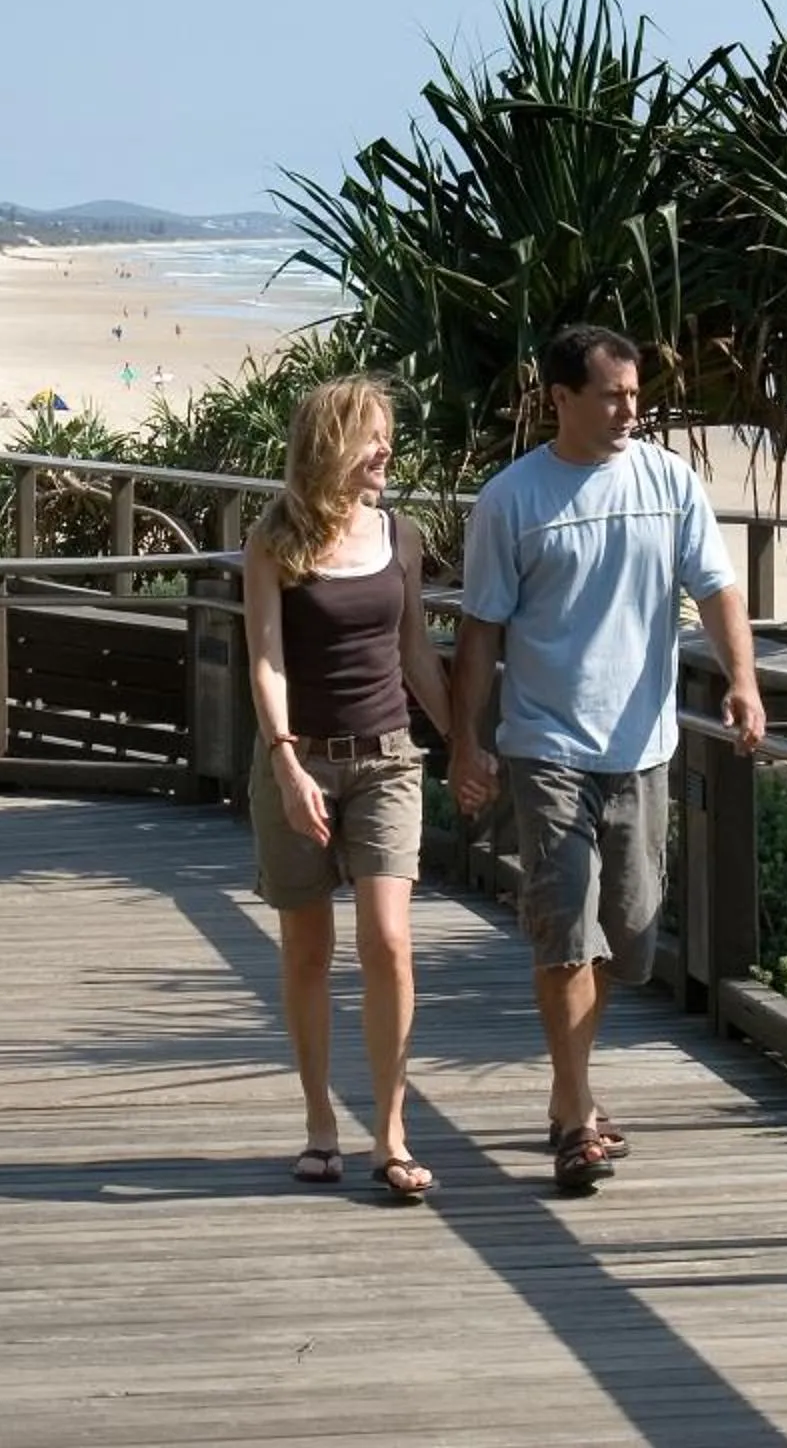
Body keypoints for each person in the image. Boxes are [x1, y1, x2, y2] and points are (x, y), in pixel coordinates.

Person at [452, 326, 764, 1193]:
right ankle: (577, 1113)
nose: (631, 410)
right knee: (564, 933)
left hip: (644, 747)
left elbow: (716, 588)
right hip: (546, 745)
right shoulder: (511, 500)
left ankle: (567, 1096)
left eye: (635, 394)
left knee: (625, 939)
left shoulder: (669, 483)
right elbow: (480, 630)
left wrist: (743, 680)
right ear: (561, 397)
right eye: (612, 396)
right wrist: (465, 739)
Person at [243, 375, 456, 1203]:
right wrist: (287, 763)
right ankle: (319, 1127)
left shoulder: (400, 535)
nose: (386, 450)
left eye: (388, 435)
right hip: (301, 762)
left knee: (390, 942)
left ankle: (392, 1133)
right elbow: (265, 658)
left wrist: (464, 742)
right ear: (330, 442)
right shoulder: (274, 540)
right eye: (372, 435)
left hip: (389, 759)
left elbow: (416, 654)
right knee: (306, 951)